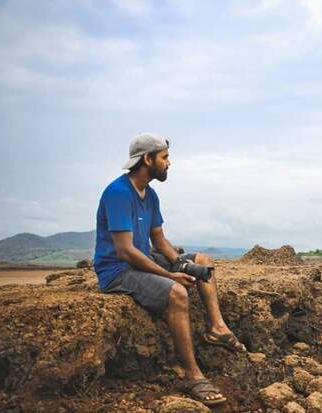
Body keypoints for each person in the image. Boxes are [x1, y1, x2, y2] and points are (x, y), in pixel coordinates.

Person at [93, 133, 244, 406]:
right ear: (147, 159)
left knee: (203, 260)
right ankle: (192, 375)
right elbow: (125, 250)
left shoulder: (149, 195)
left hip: (139, 261)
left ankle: (217, 328)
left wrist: (180, 263)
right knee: (177, 293)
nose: (169, 163)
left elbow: (159, 240)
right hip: (117, 270)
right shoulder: (118, 193)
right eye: (164, 157)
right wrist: (169, 275)